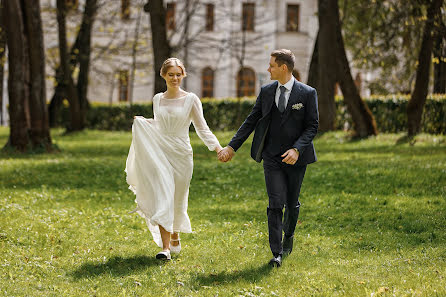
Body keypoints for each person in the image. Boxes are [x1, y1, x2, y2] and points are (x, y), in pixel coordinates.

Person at [218, 49, 319, 267]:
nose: (268, 69)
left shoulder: (307, 93)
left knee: (291, 204)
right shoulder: (266, 92)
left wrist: (297, 149)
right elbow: (251, 121)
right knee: (275, 203)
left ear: (283, 68)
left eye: (271, 65)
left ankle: (288, 236)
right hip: (271, 157)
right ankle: (277, 252)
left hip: (296, 159)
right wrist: (232, 147)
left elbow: (312, 126)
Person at [125, 58, 222, 260]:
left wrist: (217, 147)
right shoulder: (157, 99)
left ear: (183, 75)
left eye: (178, 74)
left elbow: (201, 128)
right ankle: (165, 248)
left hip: (182, 154)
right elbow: (160, 125)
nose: (175, 78)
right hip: (160, 152)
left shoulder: (191, 99)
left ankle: (175, 233)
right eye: (171, 75)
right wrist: (144, 122)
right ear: (164, 76)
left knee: (177, 197)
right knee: (163, 194)